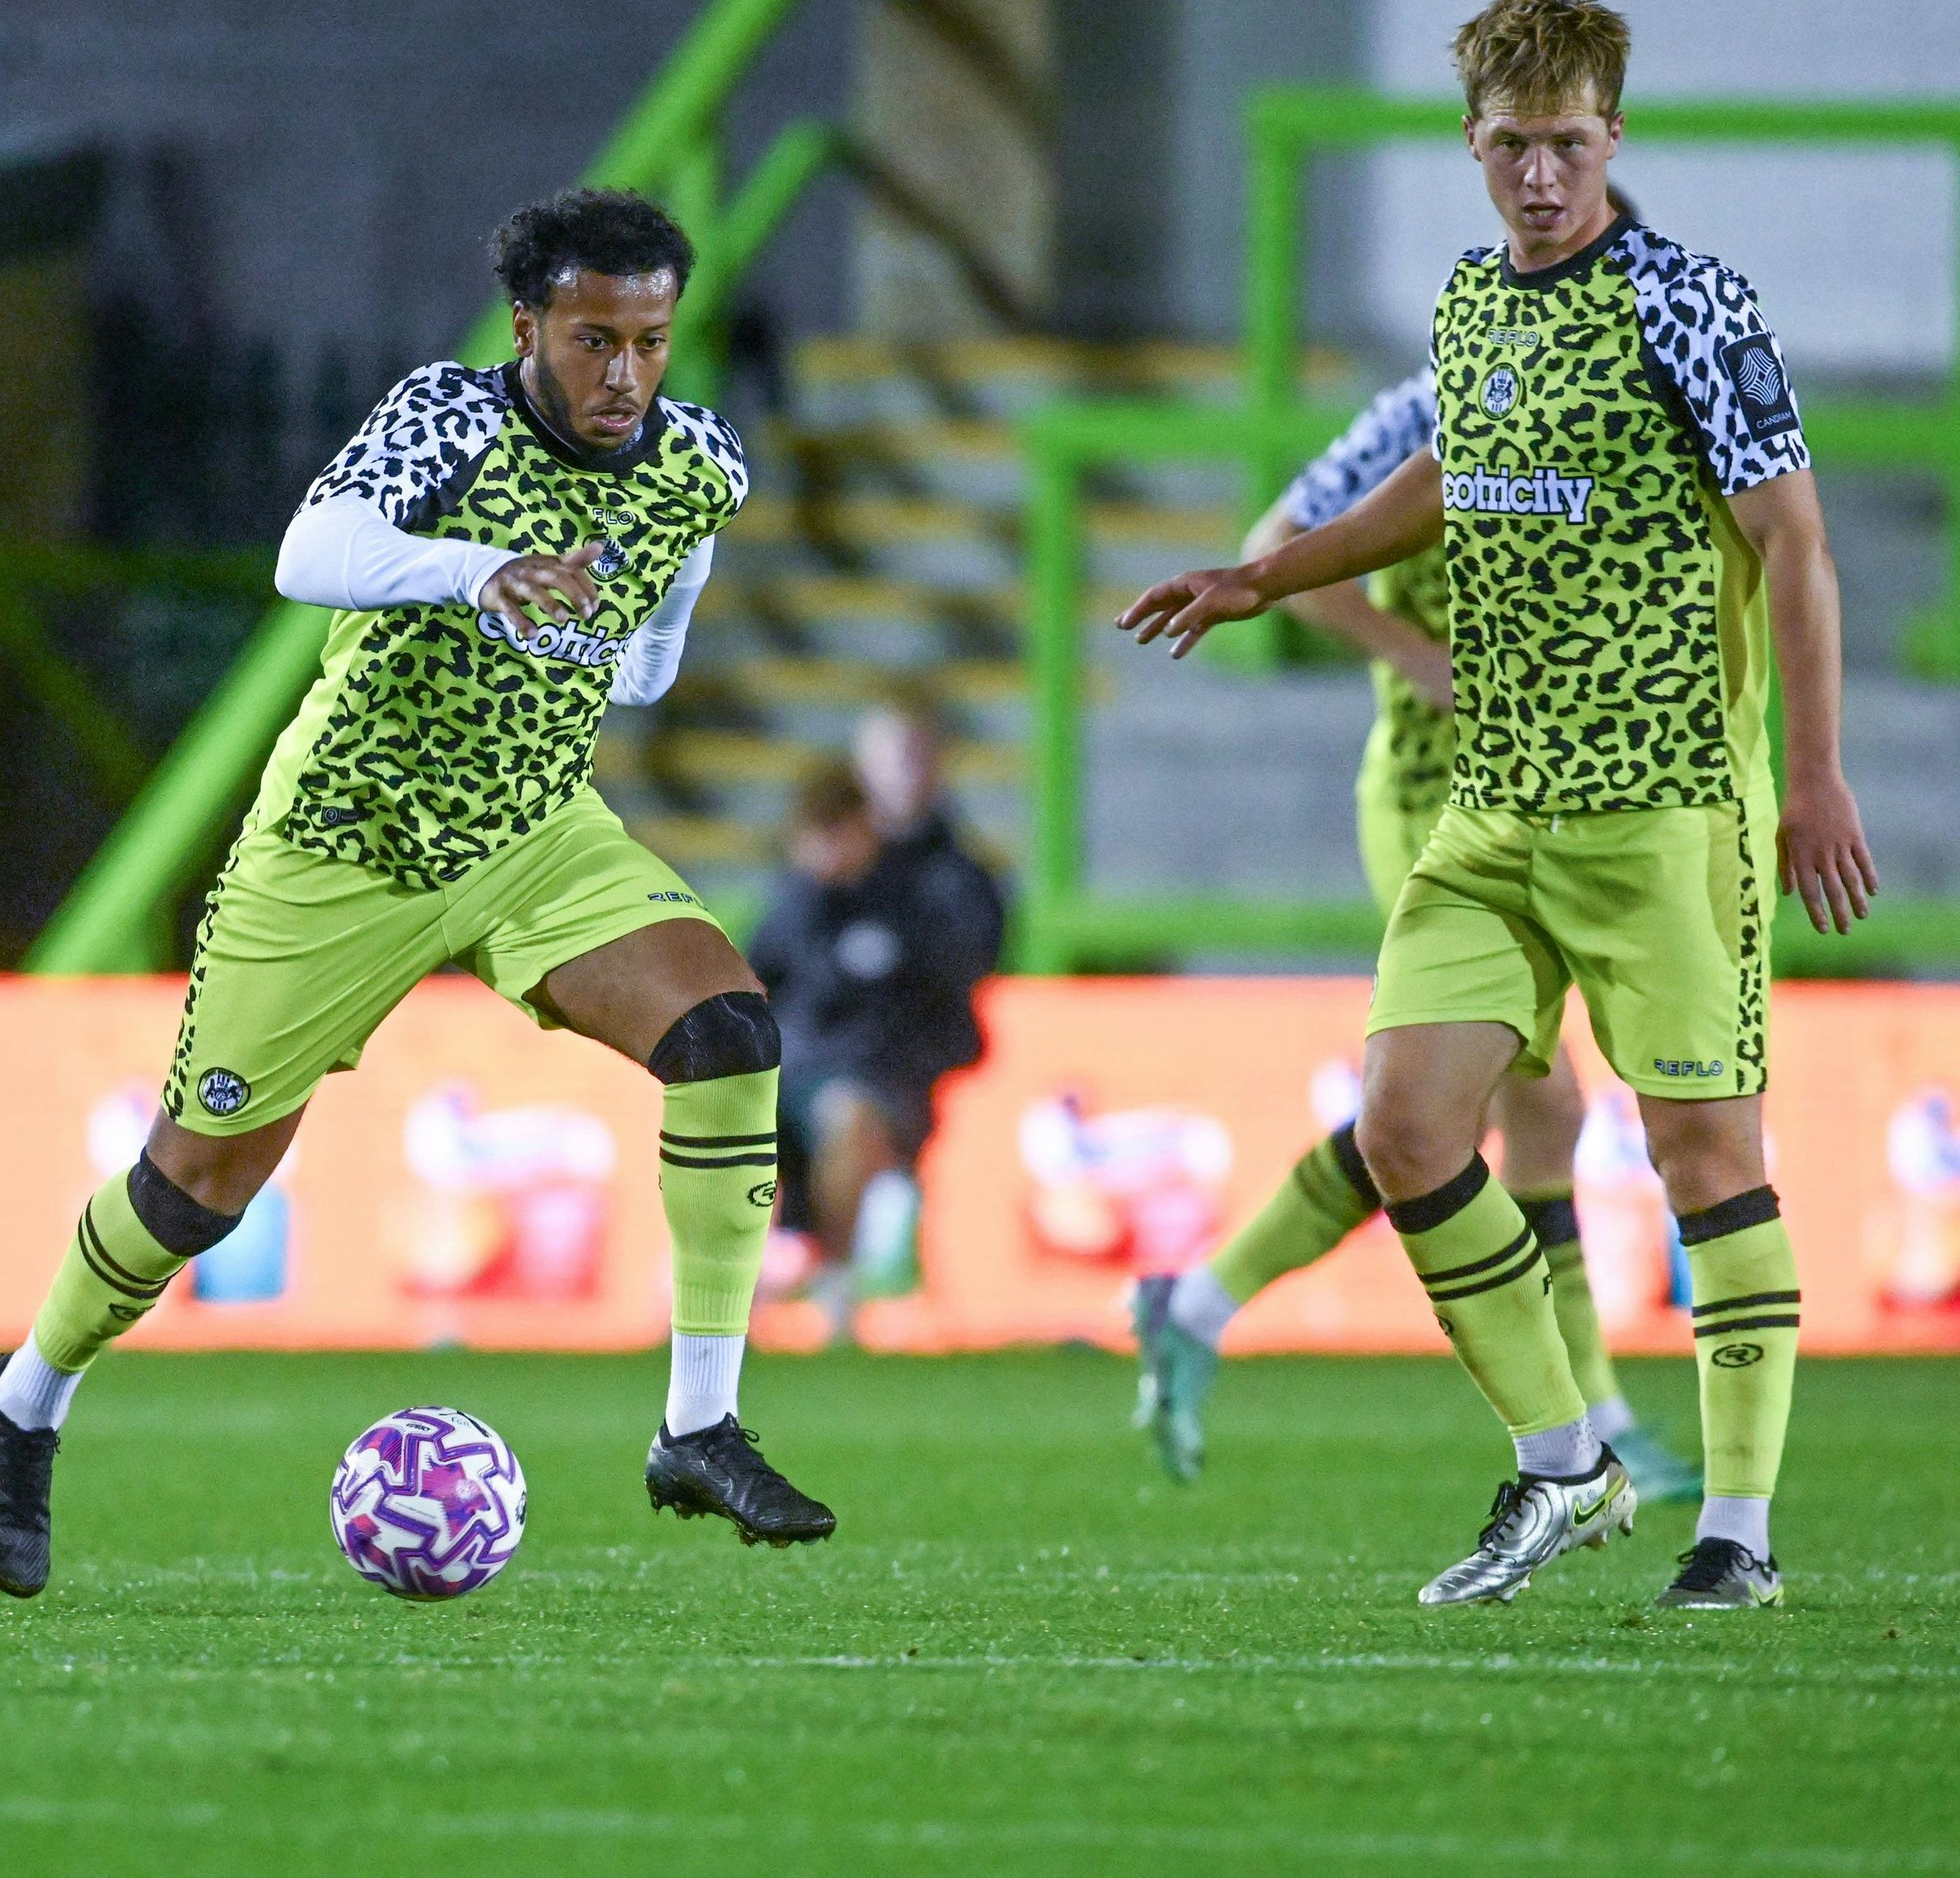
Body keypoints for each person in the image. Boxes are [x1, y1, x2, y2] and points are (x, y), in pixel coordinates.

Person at [0, 187, 834, 1599]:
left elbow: (662, 628)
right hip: (343, 847)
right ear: (529, 326)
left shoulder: (699, 463)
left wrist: (626, 650)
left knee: (728, 1033)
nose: (625, 375)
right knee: (195, 1191)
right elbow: (311, 556)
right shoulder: (451, 417)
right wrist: (481, 573)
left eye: (652, 342)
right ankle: (22, 1403)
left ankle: (701, 1426)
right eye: (595, 339)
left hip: (537, 837)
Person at [1119, 0, 1874, 1611]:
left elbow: (1796, 544)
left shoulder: (1690, 307)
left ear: (1614, 137)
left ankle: (1736, 1534)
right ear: (1472, 145)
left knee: (1702, 1155)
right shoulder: (1472, 308)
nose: (1541, 174)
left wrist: (1810, 774)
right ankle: (1565, 1466)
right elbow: (1441, 481)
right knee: (1405, 1124)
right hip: (1492, 819)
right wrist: (1268, 577)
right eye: (1514, 145)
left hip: (1665, 814)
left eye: (1571, 144)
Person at [1126, 283, 1700, 1506]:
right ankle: (1597, 1422)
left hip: (1547, 798)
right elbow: (1280, 540)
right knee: (1532, 1100)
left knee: (1485, 1112)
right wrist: (1416, 656)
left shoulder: (1615, 420)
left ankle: (1198, 1298)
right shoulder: (1419, 416)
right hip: (1431, 801)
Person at [747, 751, 1002, 1313]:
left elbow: (952, 1005)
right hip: (793, 1077)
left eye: (835, 832)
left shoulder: (914, 900)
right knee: (727, 1117)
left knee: (848, 1114)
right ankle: (737, 1277)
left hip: (885, 1081)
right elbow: (750, 986)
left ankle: (839, 1282)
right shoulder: (793, 909)